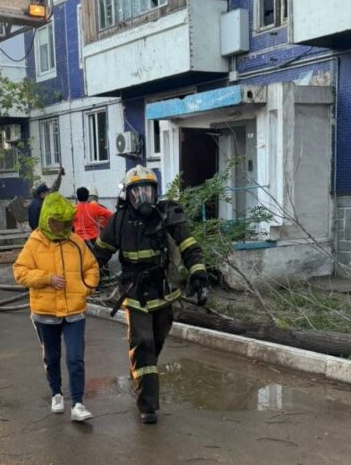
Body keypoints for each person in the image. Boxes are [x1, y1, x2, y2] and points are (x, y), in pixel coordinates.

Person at [94, 166, 210, 425]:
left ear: (156, 192)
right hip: (134, 291)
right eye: (138, 191)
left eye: (148, 190)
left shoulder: (167, 213)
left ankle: (140, 374)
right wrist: (82, 279)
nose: (143, 197)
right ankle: (148, 406)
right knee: (144, 342)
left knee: (155, 343)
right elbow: (99, 255)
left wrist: (200, 277)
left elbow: (189, 246)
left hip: (163, 290)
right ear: (128, 194)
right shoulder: (119, 221)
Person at [13, 193, 99, 422]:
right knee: (52, 357)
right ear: (46, 219)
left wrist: (87, 286)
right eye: (56, 222)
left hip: (74, 312)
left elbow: (91, 267)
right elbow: (20, 272)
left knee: (75, 358)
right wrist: (46, 278)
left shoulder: (76, 241)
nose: (60, 227)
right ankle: (57, 393)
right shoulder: (34, 242)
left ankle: (78, 403)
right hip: (45, 313)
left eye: (64, 222)